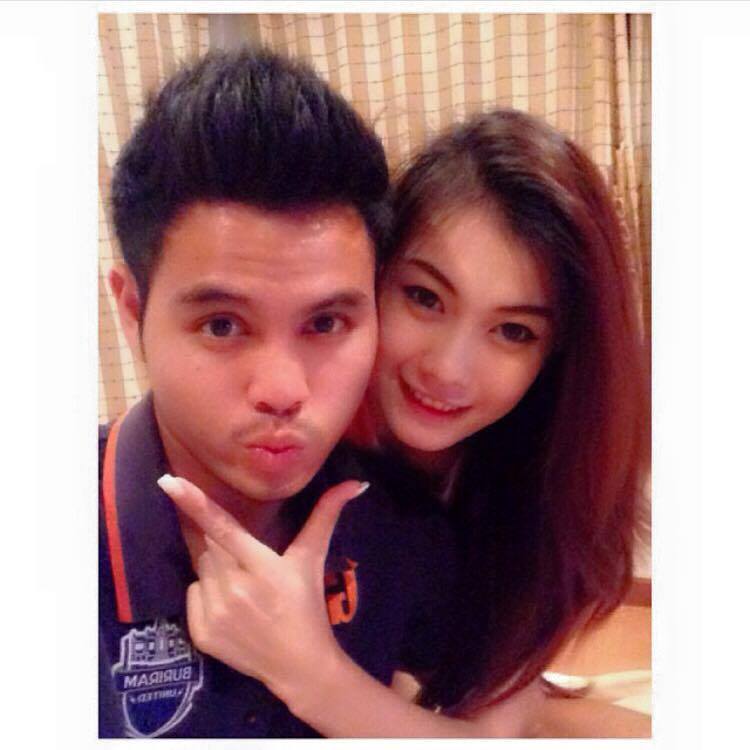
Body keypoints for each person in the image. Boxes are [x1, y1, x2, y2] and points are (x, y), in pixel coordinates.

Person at [160, 108, 651, 736]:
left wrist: (311, 674)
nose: (448, 370)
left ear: (555, 356)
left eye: (512, 331)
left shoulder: (546, 481)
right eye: (424, 297)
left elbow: (494, 731)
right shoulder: (290, 445)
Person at [98, 47, 461, 739]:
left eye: (325, 323)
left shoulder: (403, 530)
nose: (283, 391)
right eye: (222, 325)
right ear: (132, 310)